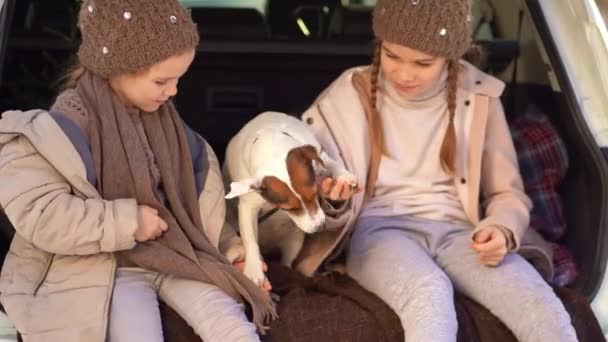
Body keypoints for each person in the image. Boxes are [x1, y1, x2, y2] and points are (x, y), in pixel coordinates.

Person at [297, 0, 578, 340]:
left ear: (452, 56)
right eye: (392, 55)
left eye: (423, 63)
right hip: (380, 232)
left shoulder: (480, 96)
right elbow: (314, 184)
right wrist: (332, 196)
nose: (403, 73)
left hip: (462, 234)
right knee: (429, 295)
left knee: (541, 308)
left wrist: (502, 229)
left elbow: (507, 193)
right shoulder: (348, 93)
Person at [0, 1, 274, 341]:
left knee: (233, 326)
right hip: (110, 268)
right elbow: (43, 216)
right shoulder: (61, 130)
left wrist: (230, 246)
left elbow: (193, 208)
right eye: (162, 81)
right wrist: (128, 222)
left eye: (178, 80)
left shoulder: (175, 131)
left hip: (177, 256)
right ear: (119, 68)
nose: (173, 91)